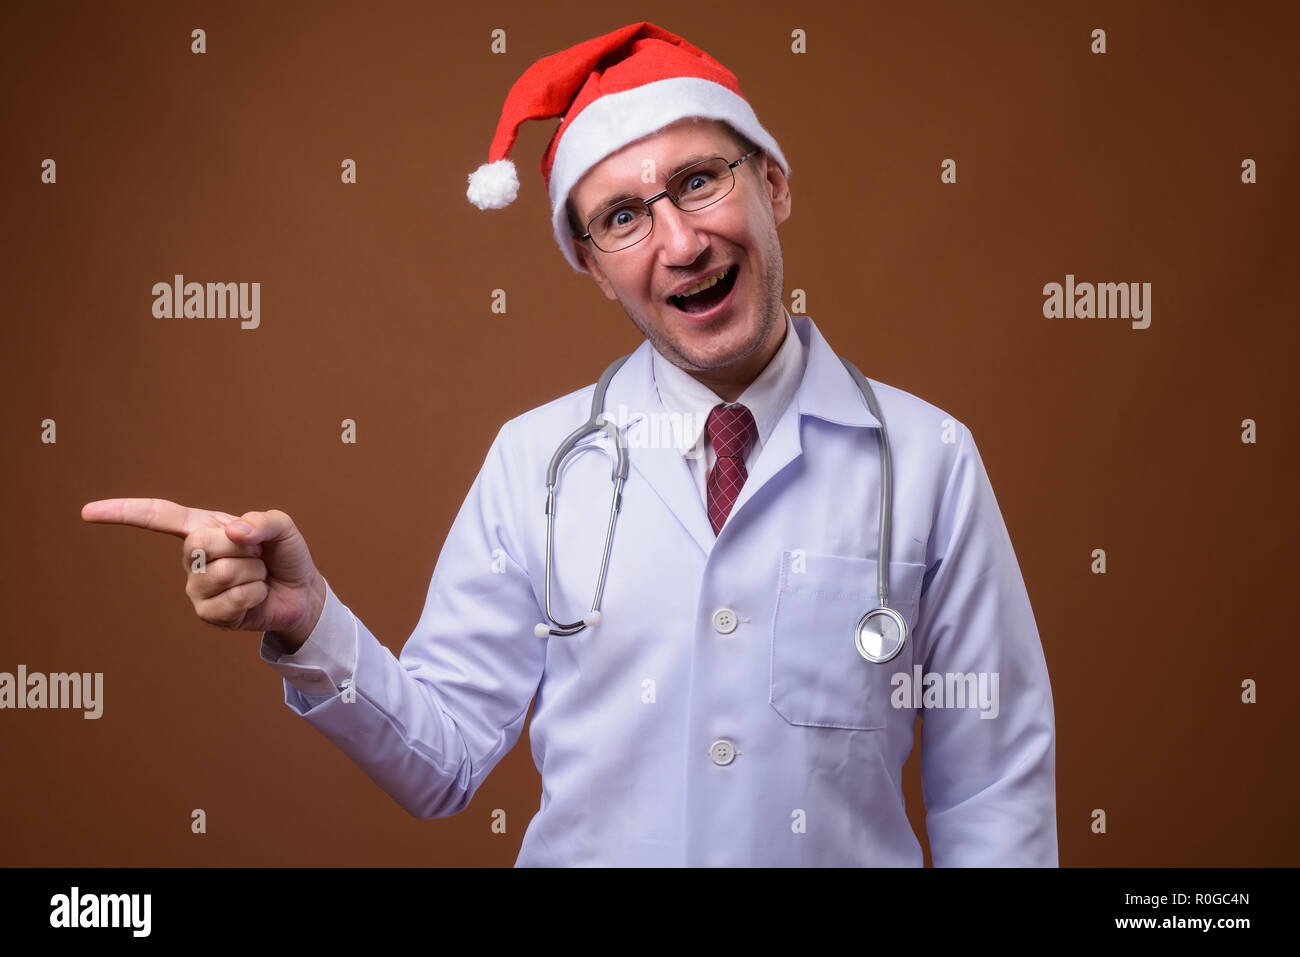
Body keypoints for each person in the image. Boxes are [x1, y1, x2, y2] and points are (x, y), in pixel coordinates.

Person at [81, 21, 1057, 866]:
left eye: (698, 183)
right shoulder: (532, 462)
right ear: (594, 269)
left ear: (774, 184)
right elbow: (446, 757)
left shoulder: (928, 460)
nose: (678, 243)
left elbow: (994, 792)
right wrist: (307, 621)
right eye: (623, 218)